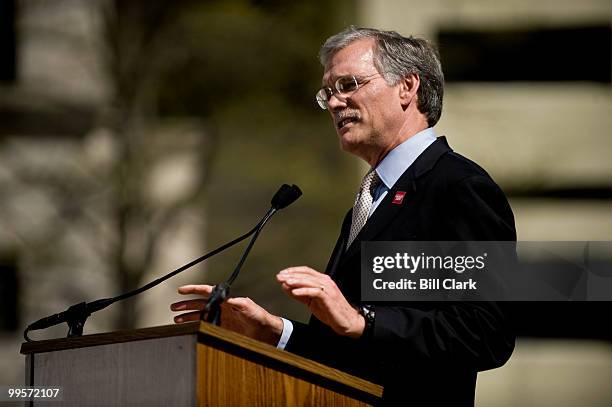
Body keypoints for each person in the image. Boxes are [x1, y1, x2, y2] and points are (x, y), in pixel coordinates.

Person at [171, 26, 516, 406]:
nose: (336, 103)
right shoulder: (368, 202)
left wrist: (362, 321)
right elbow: (353, 350)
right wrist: (276, 333)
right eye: (328, 94)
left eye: (349, 84)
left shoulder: (457, 187)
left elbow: (485, 333)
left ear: (407, 87)